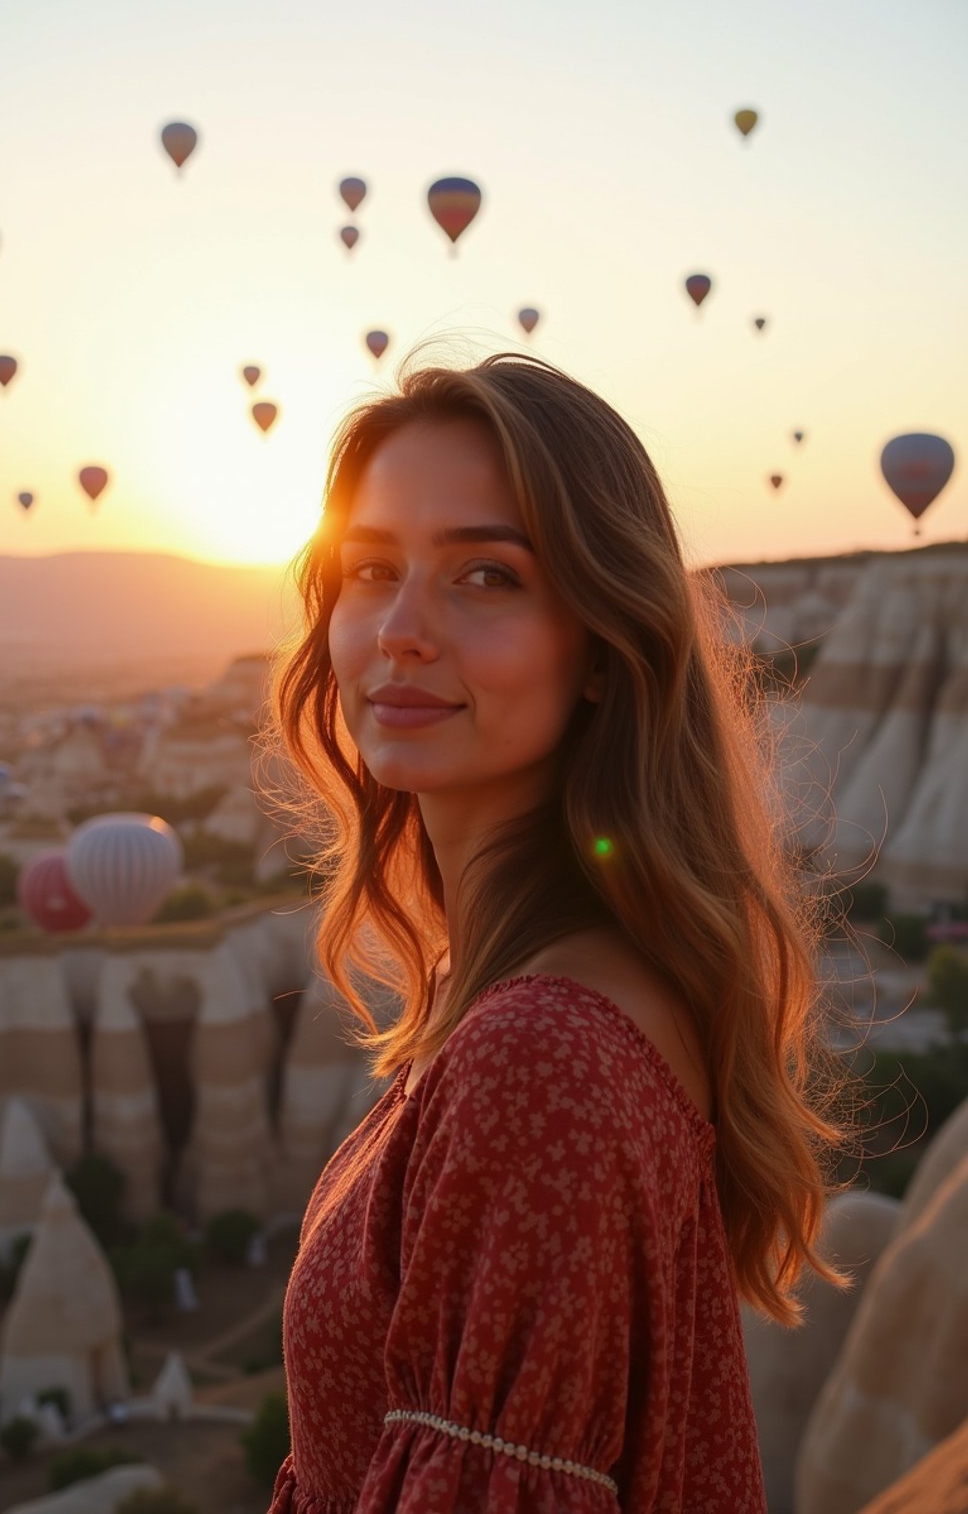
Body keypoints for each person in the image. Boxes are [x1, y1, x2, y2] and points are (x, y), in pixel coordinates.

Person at [264, 349, 858, 1512]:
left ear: (601, 646)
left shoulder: (540, 1053)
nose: (400, 630)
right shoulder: (538, 1001)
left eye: (486, 576)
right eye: (371, 567)